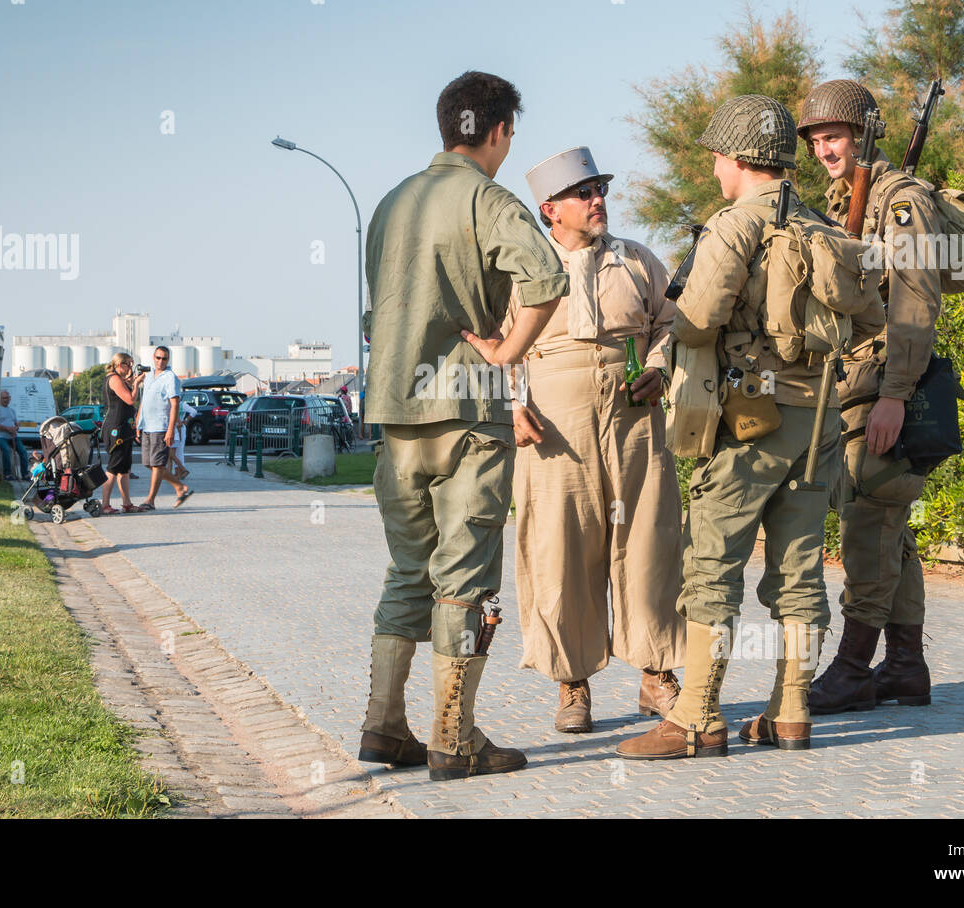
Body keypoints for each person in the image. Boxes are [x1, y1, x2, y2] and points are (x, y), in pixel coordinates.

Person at [359, 70, 568, 781]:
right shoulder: (487, 199)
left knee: (408, 571)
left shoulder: (391, 203)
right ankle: (455, 739)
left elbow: (373, 313)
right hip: (468, 414)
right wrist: (508, 352)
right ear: (501, 130)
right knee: (466, 580)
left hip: (395, 415)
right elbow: (547, 278)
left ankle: (382, 728)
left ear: (448, 125)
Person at [616, 95, 837, 761]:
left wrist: (679, 326)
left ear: (741, 160)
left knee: (711, 562)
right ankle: (792, 710)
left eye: (718, 158)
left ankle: (696, 719)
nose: (715, 170)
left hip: (748, 418)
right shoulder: (821, 222)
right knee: (800, 566)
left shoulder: (734, 226)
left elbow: (697, 319)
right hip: (815, 415)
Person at [505, 146, 688, 733]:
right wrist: (510, 407)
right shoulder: (519, 270)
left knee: (649, 539)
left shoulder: (636, 260)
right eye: (583, 194)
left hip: (633, 412)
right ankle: (572, 683)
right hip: (552, 420)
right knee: (560, 546)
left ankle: (657, 676)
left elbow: (670, 321)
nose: (597, 201)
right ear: (549, 209)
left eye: (600, 189)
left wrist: (659, 364)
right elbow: (489, 343)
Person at [798, 80, 944, 713]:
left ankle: (853, 667)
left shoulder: (901, 200)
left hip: (886, 385)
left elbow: (916, 301)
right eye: (816, 140)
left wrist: (895, 394)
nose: (825, 150)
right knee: (890, 528)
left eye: (834, 136)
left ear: (862, 134)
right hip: (854, 383)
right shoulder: (843, 202)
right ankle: (906, 667)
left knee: (869, 525)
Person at [137, 346, 193, 511]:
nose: (161, 361)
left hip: (160, 426)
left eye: (164, 358)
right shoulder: (148, 377)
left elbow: (174, 404)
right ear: (153, 358)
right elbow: (144, 401)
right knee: (150, 464)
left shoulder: (170, 378)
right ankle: (179, 487)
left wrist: (170, 430)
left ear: (168, 360)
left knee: (157, 464)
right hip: (147, 425)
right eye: (158, 358)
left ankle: (150, 500)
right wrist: (138, 423)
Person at [101, 352, 145, 513]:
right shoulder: (113, 379)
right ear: (120, 365)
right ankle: (105, 504)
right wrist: (136, 385)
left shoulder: (118, 379)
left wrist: (133, 380)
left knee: (124, 468)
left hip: (124, 428)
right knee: (113, 467)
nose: (130, 368)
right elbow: (130, 399)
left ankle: (126, 503)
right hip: (116, 429)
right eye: (128, 364)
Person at [0, 390, 29, 481]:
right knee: (6, 450)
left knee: (23, 451)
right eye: (4, 398)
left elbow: (16, 422)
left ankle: (25, 474)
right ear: (0, 399)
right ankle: (7, 474)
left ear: (10, 398)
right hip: (1, 436)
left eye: (7, 398)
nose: (6, 400)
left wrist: (16, 427)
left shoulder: (12, 411)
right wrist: (7, 429)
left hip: (13, 436)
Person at [170, 400, 197, 480]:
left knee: (178, 452)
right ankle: (178, 471)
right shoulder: (181, 404)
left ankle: (180, 471)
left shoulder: (181, 404)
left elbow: (194, 411)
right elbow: (193, 412)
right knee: (175, 452)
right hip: (177, 428)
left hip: (179, 428)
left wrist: (186, 420)